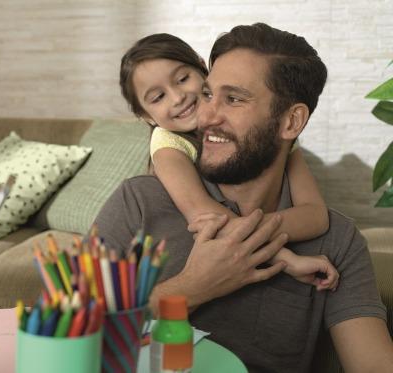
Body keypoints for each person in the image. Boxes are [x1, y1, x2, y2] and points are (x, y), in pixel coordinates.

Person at [95, 23, 393, 372]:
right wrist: (190, 289)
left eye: (233, 99)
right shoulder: (138, 201)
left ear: (291, 122)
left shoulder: (338, 242)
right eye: (208, 94)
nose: (204, 114)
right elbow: (61, 338)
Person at [119, 33, 339, 292]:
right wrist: (287, 259)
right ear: (146, 115)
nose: (177, 97)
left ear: (203, 68)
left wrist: (250, 226)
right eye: (158, 98)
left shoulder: (271, 137)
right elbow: (205, 216)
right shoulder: (167, 144)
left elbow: (315, 216)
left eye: (182, 79)